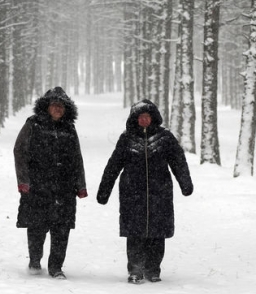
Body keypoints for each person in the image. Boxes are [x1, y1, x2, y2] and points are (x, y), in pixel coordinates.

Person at [97, 99, 193, 284]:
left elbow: (178, 162)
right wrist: (104, 191)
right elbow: (114, 165)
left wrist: (185, 184)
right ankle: (135, 269)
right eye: (140, 117)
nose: (144, 120)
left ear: (153, 118)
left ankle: (153, 269)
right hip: (132, 194)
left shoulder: (165, 137)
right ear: (135, 119)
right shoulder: (127, 138)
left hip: (160, 193)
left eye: (147, 117)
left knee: (157, 234)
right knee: (135, 234)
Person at [13, 86, 88, 280]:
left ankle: (56, 266)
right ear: (46, 107)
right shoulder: (33, 124)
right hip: (37, 185)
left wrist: (80, 185)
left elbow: (77, 158)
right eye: (54, 105)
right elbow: (19, 151)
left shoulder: (69, 128)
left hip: (64, 187)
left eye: (61, 106)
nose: (57, 109)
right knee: (37, 226)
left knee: (61, 229)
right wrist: (24, 180)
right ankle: (35, 261)